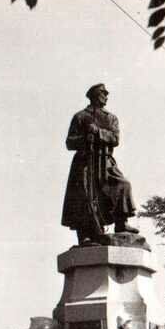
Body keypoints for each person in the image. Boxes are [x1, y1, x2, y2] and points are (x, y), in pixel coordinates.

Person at [61, 83, 138, 244]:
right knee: (84, 196)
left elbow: (115, 139)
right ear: (95, 95)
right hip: (85, 162)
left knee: (123, 185)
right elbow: (69, 142)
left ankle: (121, 223)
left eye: (106, 94)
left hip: (105, 161)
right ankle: (85, 235)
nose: (106, 96)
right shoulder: (80, 116)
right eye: (103, 93)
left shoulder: (111, 118)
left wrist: (98, 132)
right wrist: (84, 139)